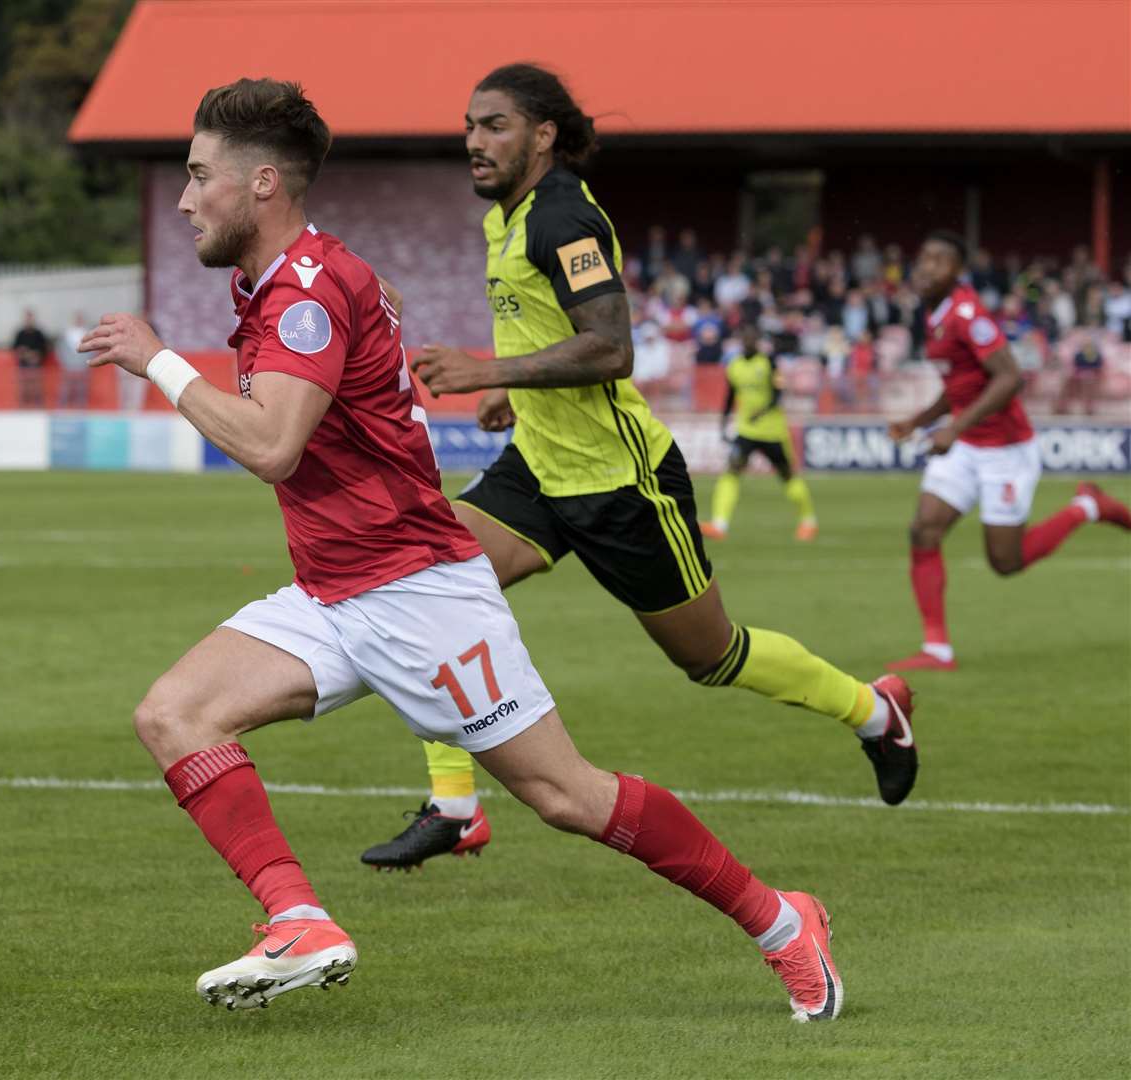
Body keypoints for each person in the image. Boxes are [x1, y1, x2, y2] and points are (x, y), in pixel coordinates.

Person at [79, 75, 842, 1023]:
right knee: (174, 714)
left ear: (263, 183)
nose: (186, 198)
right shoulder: (298, 276)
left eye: (199, 177)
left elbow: (274, 447)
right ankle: (299, 919)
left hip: (418, 594)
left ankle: (781, 923)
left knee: (568, 797)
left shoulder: (308, 295)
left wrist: (158, 358)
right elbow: (367, 323)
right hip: (335, 591)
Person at [397, 63, 914, 878]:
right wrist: (518, 397)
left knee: (711, 657)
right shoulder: (509, 216)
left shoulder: (562, 218)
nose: (473, 140)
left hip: (619, 483)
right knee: (420, 582)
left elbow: (612, 347)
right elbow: (549, 333)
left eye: (493, 124)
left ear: (543, 135)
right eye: (468, 124)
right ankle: (455, 806)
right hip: (538, 468)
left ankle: (872, 709)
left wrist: (492, 374)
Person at [885, 232, 1130, 672]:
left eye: (939, 261)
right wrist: (920, 421)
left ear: (958, 272)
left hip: (1005, 450)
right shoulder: (933, 313)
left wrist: (952, 427)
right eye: (922, 258)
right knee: (924, 529)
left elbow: (1010, 377)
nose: (925, 267)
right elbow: (960, 385)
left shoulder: (967, 314)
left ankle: (1086, 507)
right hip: (967, 445)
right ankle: (937, 649)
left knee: (1005, 561)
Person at [703, 323, 817, 541]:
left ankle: (808, 521)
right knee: (731, 472)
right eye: (744, 339)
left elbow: (778, 393)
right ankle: (719, 524)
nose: (747, 342)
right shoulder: (734, 365)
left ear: (757, 341)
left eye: (751, 339)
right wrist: (723, 422)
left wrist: (762, 411)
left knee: (787, 476)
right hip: (746, 431)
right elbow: (730, 395)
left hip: (772, 432)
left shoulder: (769, 363)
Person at [12, 308, 50, 408]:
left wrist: (35, 355)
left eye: (30, 317)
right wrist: (24, 354)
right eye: (27, 318)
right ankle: (23, 405)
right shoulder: (20, 334)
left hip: (36, 365)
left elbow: (44, 349)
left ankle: (38, 405)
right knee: (24, 387)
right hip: (23, 365)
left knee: (36, 387)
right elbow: (15, 349)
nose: (29, 320)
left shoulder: (39, 334)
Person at [57, 311, 90, 409]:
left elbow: (91, 350)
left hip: (82, 365)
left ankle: (81, 406)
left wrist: (87, 362)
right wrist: (64, 362)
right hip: (68, 364)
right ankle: (62, 406)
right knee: (66, 386)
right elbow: (61, 349)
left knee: (82, 386)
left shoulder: (86, 332)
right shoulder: (67, 332)